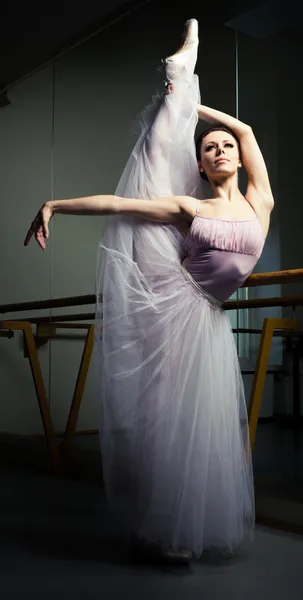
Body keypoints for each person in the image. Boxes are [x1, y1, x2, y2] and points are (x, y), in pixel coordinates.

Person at [25, 19, 274, 564]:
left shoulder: (260, 204)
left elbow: (249, 132)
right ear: (204, 165)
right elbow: (118, 206)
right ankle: (164, 527)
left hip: (205, 316)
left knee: (187, 422)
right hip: (171, 290)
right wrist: (54, 206)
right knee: (153, 168)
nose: (220, 149)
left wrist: (195, 105)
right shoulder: (194, 207)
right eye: (209, 148)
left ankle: (179, 78)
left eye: (224, 145)